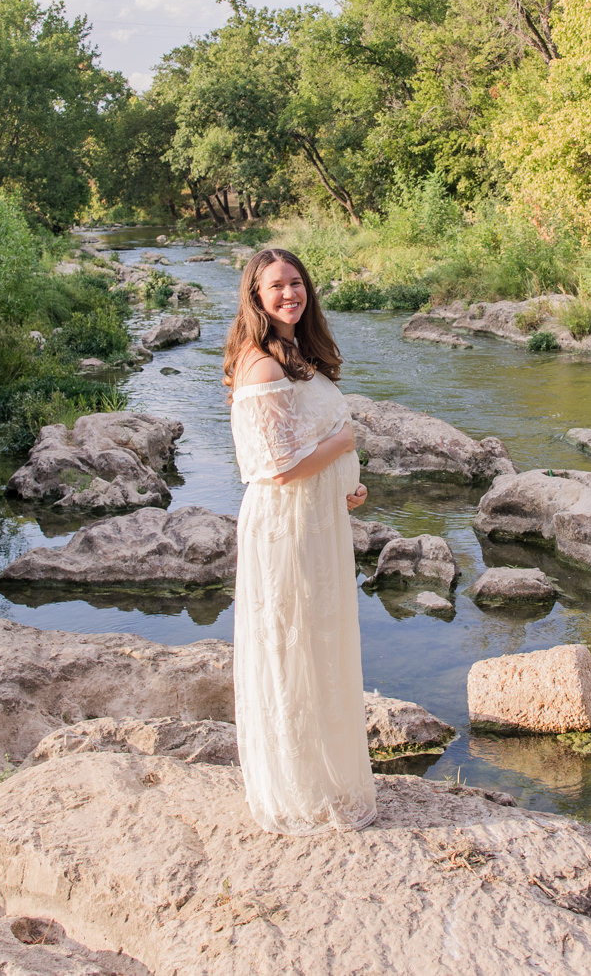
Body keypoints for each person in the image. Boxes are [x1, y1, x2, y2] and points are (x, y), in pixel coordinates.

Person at [223, 247, 377, 834]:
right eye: (276, 286)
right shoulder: (261, 366)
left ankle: (324, 780)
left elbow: (300, 451)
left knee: (321, 645)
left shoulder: (298, 357)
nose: (290, 293)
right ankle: (297, 792)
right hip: (284, 528)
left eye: (296, 283)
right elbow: (277, 468)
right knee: (292, 650)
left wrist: (344, 490)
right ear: (256, 297)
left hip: (317, 518)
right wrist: (344, 444)